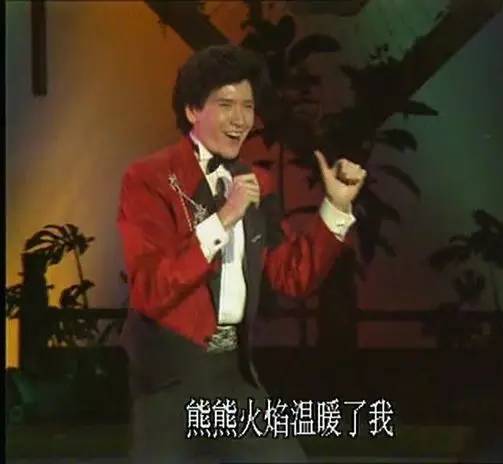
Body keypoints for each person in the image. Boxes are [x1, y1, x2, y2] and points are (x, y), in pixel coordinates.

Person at [117, 44, 366, 463]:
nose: (240, 119)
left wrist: (335, 208)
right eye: (226, 105)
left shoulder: (256, 182)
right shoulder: (150, 178)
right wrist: (225, 217)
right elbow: (151, 289)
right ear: (193, 110)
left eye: (248, 107)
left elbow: (291, 276)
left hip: (232, 372)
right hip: (168, 378)